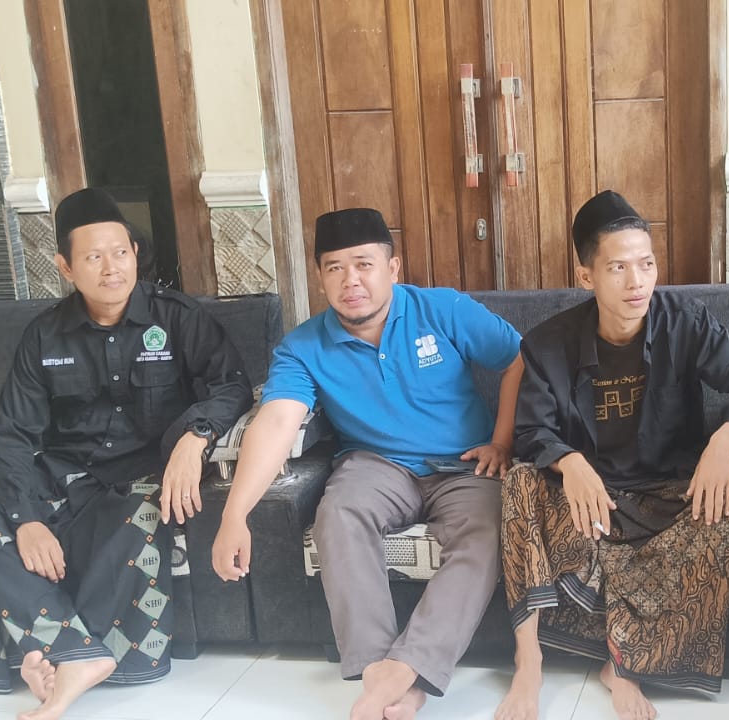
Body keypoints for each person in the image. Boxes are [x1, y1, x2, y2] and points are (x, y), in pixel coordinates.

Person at [0, 188, 251, 720]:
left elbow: (234, 386)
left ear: (135, 253)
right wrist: (26, 520)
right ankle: (78, 654)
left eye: (121, 252)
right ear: (65, 267)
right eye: (94, 257)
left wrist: (195, 438)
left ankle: (56, 656)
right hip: (64, 474)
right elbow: (13, 435)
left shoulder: (177, 318)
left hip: (143, 472)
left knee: (133, 525)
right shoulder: (44, 335)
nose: (112, 268)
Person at [210, 208, 524, 720]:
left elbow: (518, 358)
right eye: (335, 268)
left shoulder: (442, 309)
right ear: (320, 278)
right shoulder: (302, 347)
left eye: (364, 264)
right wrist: (234, 514)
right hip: (376, 465)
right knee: (338, 514)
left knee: (489, 530)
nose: (350, 280)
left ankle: (410, 668)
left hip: (465, 464)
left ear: (392, 268)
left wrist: (502, 442)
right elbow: (277, 422)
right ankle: (382, 669)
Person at [495, 191, 729, 720]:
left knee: (724, 515)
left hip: (664, 493)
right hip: (589, 500)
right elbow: (531, 431)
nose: (637, 282)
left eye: (647, 264)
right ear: (586, 276)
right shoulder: (549, 343)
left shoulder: (685, 321)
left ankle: (623, 665)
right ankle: (528, 662)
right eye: (618, 268)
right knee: (520, 482)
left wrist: (724, 441)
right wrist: (569, 461)